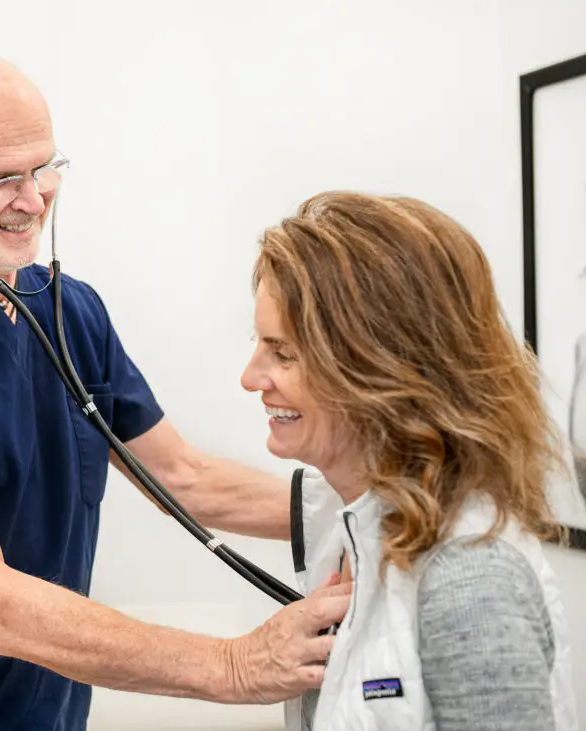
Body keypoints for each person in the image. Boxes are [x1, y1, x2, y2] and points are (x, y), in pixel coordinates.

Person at [0, 52, 350, 731]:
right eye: (0, 178)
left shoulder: (71, 311)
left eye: (44, 168)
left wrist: (369, 507)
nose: (32, 199)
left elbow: (185, 478)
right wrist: (233, 664)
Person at [239, 190, 579, 730]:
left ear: (379, 368)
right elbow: (188, 483)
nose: (251, 378)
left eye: (283, 353)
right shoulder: (354, 534)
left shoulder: (471, 583)